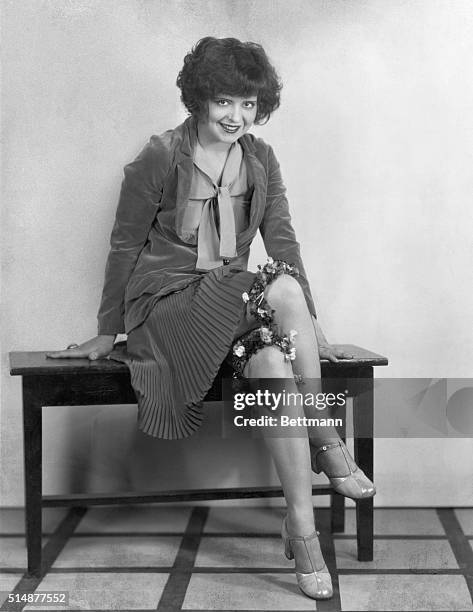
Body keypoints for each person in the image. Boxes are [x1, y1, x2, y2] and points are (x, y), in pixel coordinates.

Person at [47, 36, 375, 601]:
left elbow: (284, 244)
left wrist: (311, 329)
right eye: (225, 101)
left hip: (227, 306)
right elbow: (124, 246)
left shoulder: (261, 160)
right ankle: (325, 437)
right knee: (281, 287)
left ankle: (301, 529)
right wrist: (107, 331)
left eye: (249, 104)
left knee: (273, 359)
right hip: (167, 303)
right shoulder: (160, 155)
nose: (236, 116)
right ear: (199, 99)